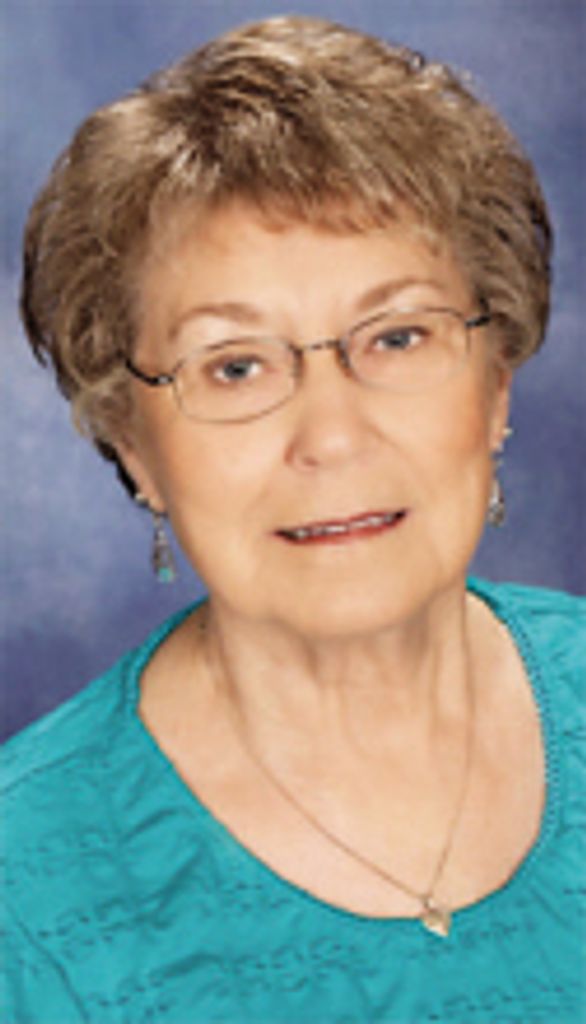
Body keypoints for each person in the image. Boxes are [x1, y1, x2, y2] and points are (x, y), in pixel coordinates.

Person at [3, 14, 584, 1023]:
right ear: (133, 443)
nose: (333, 436)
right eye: (235, 366)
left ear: (495, 386)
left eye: (397, 336)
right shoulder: (22, 893)